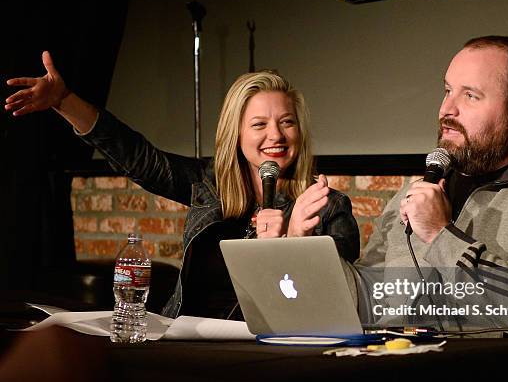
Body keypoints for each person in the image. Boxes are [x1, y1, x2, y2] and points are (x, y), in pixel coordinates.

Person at [5, 52, 360, 318]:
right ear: (235, 134)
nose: (276, 136)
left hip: (260, 350)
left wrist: (293, 242)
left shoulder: (327, 205)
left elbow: (334, 304)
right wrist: (64, 101)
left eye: (287, 122)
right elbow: (137, 157)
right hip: (186, 335)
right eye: (259, 125)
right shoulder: (209, 185)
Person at [350, 36, 508, 332]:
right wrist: (307, 252)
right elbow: (368, 298)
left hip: (492, 377)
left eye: (470, 96)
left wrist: (440, 235)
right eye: (447, 91)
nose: (447, 110)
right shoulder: (422, 189)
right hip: (393, 370)